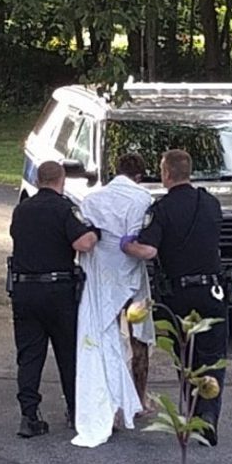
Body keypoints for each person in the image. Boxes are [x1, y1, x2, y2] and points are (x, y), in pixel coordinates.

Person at [121, 149, 228, 447]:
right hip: (212, 291)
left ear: (166, 173)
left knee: (185, 357)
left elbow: (149, 251)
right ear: (188, 172)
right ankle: (208, 415)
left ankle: (192, 415)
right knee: (213, 357)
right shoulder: (210, 203)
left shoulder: (162, 209)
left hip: (178, 294)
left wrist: (126, 246)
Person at [8, 161, 99, 438]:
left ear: (37, 180)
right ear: (61, 180)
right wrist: (96, 233)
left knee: (29, 355)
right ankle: (75, 412)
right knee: (68, 352)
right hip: (58, 291)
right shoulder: (64, 209)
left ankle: (29, 415)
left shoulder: (21, 210)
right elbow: (82, 243)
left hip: (24, 290)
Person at [71, 153, 155, 448]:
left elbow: (88, 232)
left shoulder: (92, 200)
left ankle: (111, 400)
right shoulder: (143, 199)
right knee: (138, 337)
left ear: (114, 172)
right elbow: (141, 236)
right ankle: (138, 398)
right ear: (140, 176)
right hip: (130, 271)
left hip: (99, 274)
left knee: (102, 334)